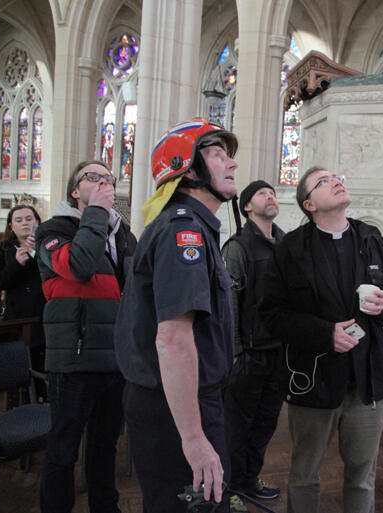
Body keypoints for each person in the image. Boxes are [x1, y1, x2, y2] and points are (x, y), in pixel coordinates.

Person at [260, 166, 383, 513]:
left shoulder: (374, 241)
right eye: (323, 181)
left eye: (337, 177)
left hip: (367, 381)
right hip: (313, 380)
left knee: (361, 475)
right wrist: (324, 334)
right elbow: (270, 314)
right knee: (304, 474)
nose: (336, 182)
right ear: (309, 204)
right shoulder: (290, 249)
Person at [115, 118, 238, 513]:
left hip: (184, 401)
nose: (232, 164)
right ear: (186, 169)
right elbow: (172, 338)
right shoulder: (181, 231)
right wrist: (194, 437)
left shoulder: (193, 228)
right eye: (218, 155)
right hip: (175, 409)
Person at [36, 160, 136, 513]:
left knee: (104, 446)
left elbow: (134, 292)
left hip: (114, 359)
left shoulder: (122, 234)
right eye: (93, 177)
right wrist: (96, 211)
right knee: (63, 449)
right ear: (75, 191)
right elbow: (77, 266)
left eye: (109, 178)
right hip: (73, 359)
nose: (104, 182)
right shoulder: (52, 230)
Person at [221, 180, 285, 512]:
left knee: (265, 423)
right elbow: (229, 303)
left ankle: (249, 479)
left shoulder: (285, 244)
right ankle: (229, 487)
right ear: (247, 206)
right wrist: (233, 352)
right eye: (262, 193)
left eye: (272, 192)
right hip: (248, 354)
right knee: (236, 427)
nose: (270, 196)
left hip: (279, 353)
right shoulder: (238, 246)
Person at [0, 204, 47, 397]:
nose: (24, 224)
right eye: (19, 220)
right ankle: (17, 403)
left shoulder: (47, 245)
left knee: (42, 365)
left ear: (37, 222)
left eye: (29, 219)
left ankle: (43, 403)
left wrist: (36, 253)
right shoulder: (3, 249)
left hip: (43, 315)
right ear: (11, 226)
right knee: (19, 366)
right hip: (17, 317)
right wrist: (16, 263)